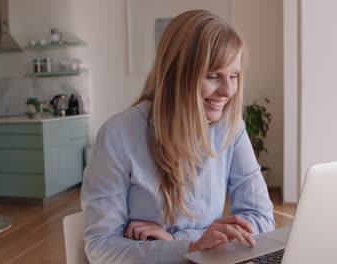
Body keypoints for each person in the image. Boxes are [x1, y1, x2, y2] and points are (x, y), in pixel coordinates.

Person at [81, 9, 275, 264]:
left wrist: (180, 242)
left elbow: (262, 219)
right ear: (175, 73)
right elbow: (101, 248)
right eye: (212, 76)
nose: (228, 90)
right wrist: (194, 245)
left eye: (234, 76)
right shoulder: (118, 135)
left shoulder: (231, 127)